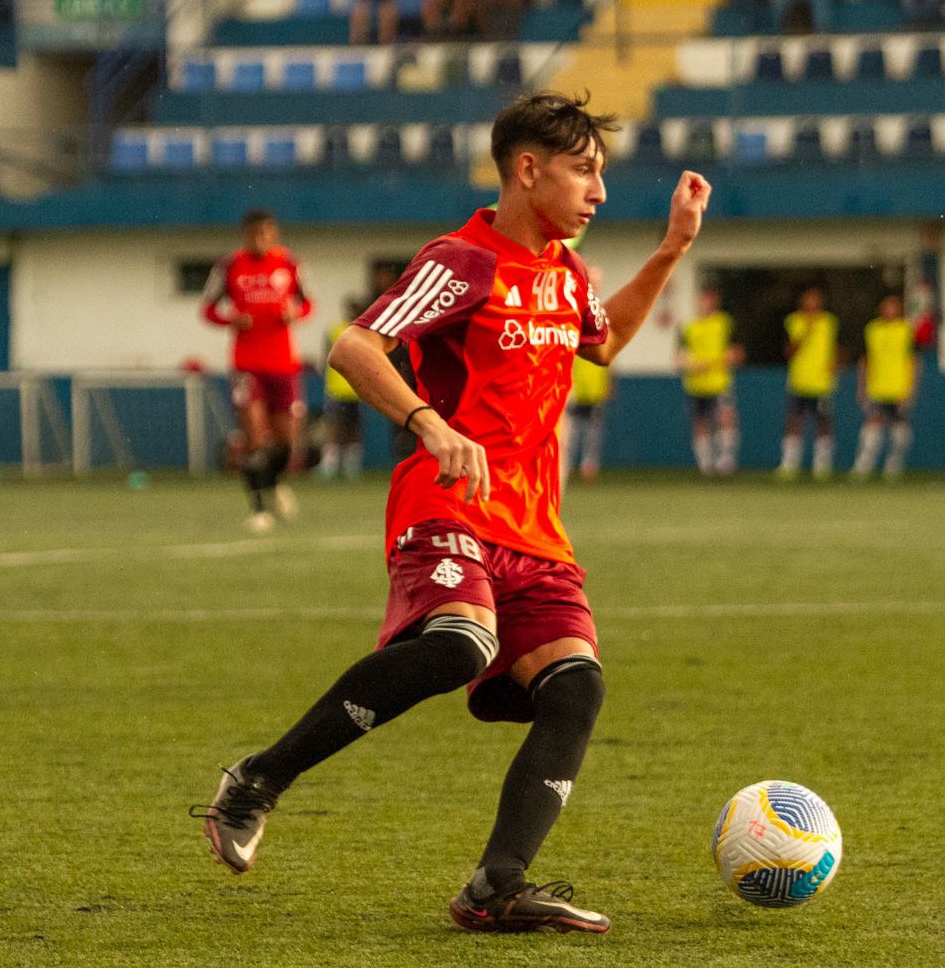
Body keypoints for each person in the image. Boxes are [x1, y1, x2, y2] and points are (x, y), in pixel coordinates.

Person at [194, 91, 712, 935]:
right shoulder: (463, 260)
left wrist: (670, 250)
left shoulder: (566, 273)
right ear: (527, 169)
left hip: (534, 527)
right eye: (585, 171)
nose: (599, 192)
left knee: (576, 687)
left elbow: (603, 343)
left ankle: (495, 888)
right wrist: (429, 424)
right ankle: (258, 779)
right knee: (460, 641)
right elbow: (356, 346)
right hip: (446, 502)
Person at [200, 210, 314, 530]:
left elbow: (307, 303)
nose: (259, 240)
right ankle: (259, 508)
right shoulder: (229, 266)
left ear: (274, 234)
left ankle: (275, 484)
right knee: (252, 436)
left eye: (265, 234)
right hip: (246, 365)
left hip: (283, 364)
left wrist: (295, 315)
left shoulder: (290, 264)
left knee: (287, 441)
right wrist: (230, 320)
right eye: (253, 234)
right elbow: (207, 309)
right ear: (245, 235)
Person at [852, 294, 920, 480]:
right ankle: (864, 465)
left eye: (894, 307)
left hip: (899, 389)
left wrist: (911, 389)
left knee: (900, 432)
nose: (890, 311)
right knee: (872, 425)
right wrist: (861, 387)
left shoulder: (906, 330)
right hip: (876, 388)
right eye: (887, 307)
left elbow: (914, 362)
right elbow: (864, 361)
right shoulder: (872, 329)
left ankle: (894, 465)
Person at [677, 286, 743, 476]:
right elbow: (679, 358)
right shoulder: (688, 325)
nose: (706, 302)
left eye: (710, 298)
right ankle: (705, 464)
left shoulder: (725, 323)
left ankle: (726, 460)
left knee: (725, 419)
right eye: (703, 297)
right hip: (696, 385)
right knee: (700, 423)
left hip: (719, 383)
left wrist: (711, 363)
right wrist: (692, 366)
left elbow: (737, 354)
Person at [778, 287, 838, 480]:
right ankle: (789, 464)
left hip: (822, 383)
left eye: (815, 302)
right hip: (799, 381)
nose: (812, 306)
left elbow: (834, 349)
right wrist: (806, 332)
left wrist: (833, 365)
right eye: (808, 301)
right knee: (794, 422)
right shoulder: (793, 321)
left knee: (823, 424)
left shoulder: (829, 322)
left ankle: (822, 466)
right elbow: (790, 351)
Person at [561, 265, 612, 485]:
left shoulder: (601, 314)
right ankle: (565, 466)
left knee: (592, 431)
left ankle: (588, 466)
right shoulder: (568, 308)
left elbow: (610, 351)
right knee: (568, 432)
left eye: (596, 280)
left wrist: (609, 381)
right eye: (590, 279)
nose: (593, 283)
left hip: (594, 385)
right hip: (572, 385)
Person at [318, 298, 365, 481]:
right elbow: (325, 359)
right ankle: (330, 465)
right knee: (335, 428)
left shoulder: (363, 332)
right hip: (339, 389)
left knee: (352, 429)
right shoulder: (336, 331)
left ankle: (351, 466)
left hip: (357, 390)